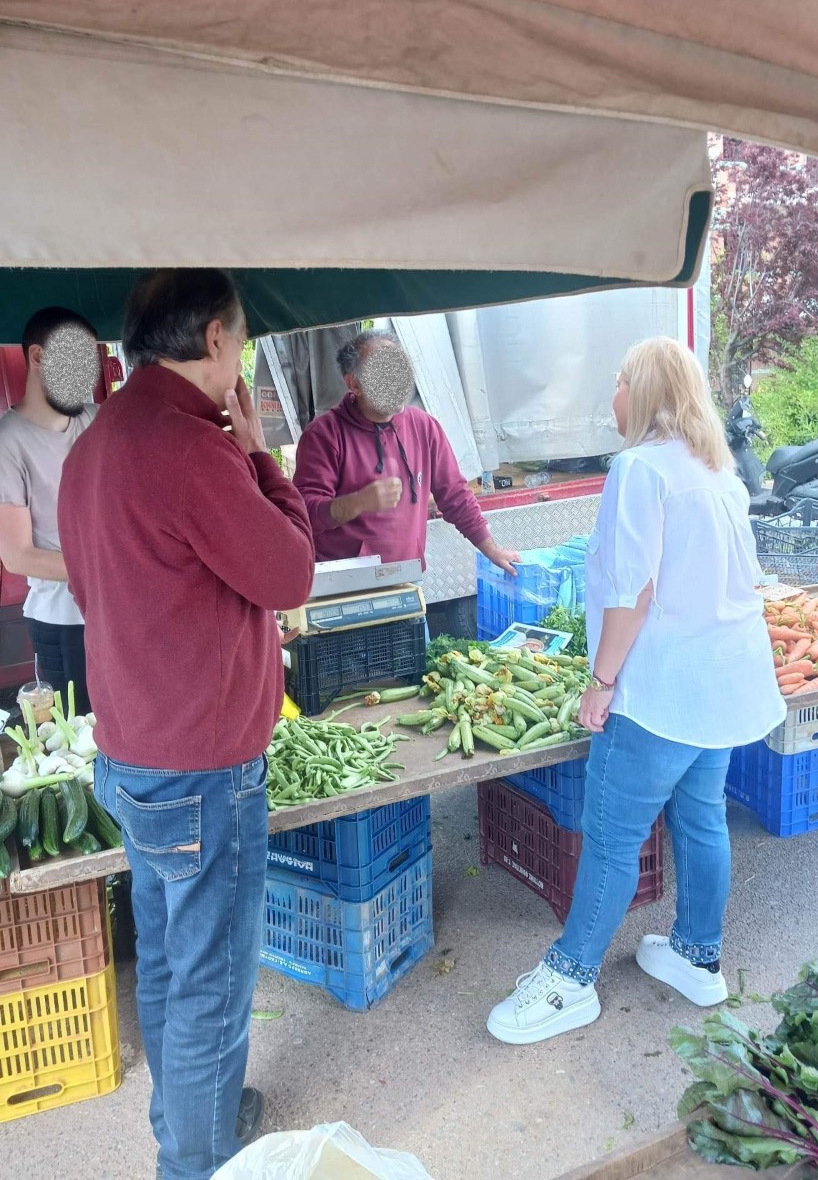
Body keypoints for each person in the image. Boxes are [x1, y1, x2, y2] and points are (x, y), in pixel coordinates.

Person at [58, 270, 315, 1180]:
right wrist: (260, 458)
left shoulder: (96, 445)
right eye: (240, 345)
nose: (239, 362)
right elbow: (289, 576)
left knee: (167, 963)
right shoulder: (191, 446)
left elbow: (95, 591)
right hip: (204, 769)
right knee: (210, 983)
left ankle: (187, 1118)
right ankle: (195, 1160)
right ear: (214, 340)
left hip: (133, 755)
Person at [486, 337, 785, 1046]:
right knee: (702, 819)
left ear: (644, 393)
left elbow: (632, 592)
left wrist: (601, 681)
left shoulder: (639, 469)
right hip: (719, 686)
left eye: (619, 382)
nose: (612, 396)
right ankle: (696, 956)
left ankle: (569, 978)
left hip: (661, 692)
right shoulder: (718, 475)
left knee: (614, 839)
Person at [293, 329, 519, 575]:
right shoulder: (324, 434)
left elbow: (455, 496)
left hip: (405, 579)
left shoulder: (424, 426)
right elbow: (305, 512)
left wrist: (492, 550)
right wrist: (357, 502)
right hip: (345, 585)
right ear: (354, 384)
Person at [0, 307, 101, 712]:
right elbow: (16, 555)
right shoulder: (9, 442)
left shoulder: (97, 420)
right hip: (62, 622)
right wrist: (104, 568)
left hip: (117, 612)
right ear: (39, 357)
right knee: (74, 742)